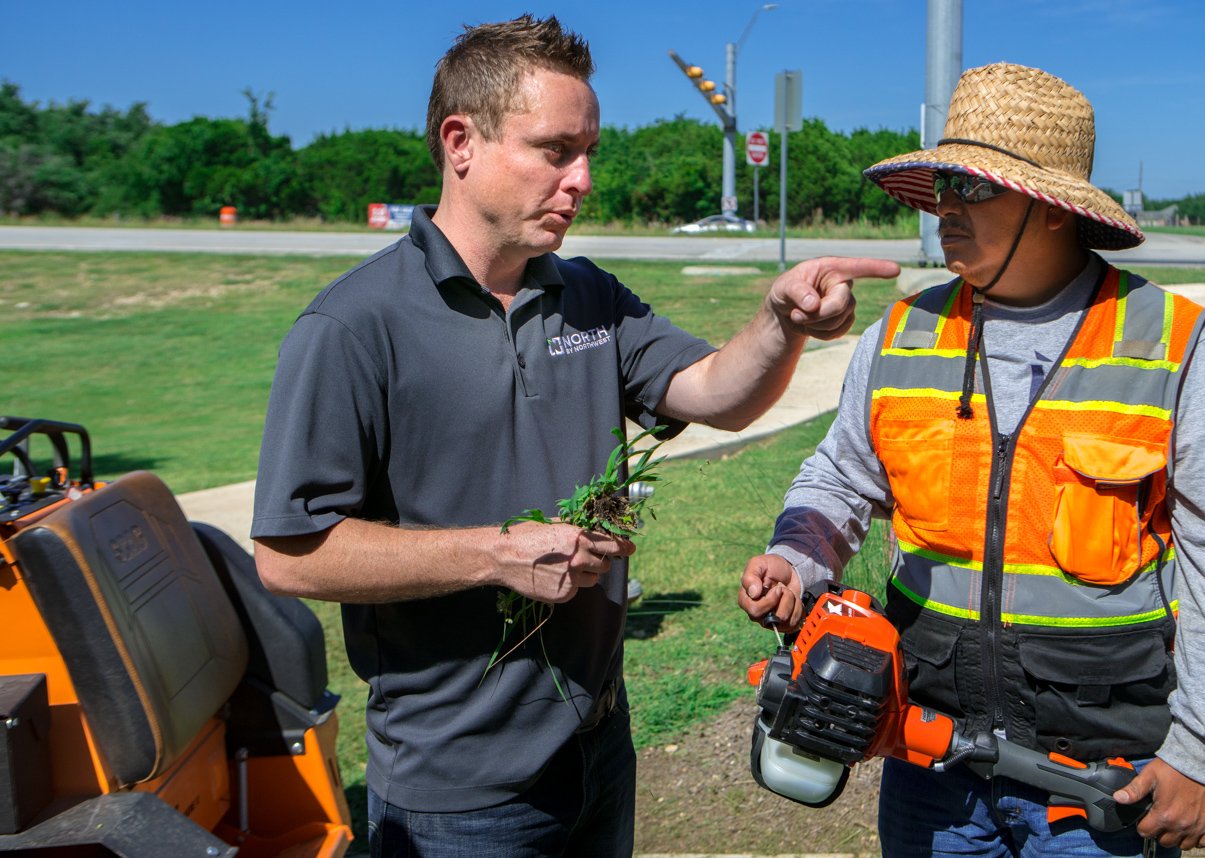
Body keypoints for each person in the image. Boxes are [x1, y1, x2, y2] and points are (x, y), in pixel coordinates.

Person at [251, 15, 897, 858]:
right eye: (556, 150)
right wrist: (495, 553)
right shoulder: (352, 326)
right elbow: (288, 554)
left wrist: (782, 322)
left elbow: (715, 394)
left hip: (598, 743)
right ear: (461, 142)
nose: (583, 178)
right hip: (460, 790)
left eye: (588, 150)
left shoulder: (586, 294)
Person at [738, 62, 1205, 856]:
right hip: (928, 758)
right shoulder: (903, 334)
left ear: (1051, 209)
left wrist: (1197, 752)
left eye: (974, 187)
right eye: (942, 183)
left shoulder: (1172, 345)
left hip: (1098, 779)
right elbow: (840, 475)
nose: (947, 206)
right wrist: (796, 557)